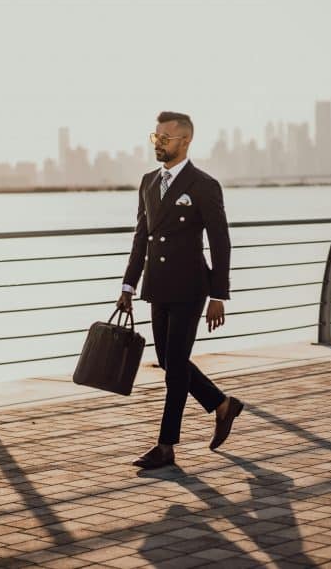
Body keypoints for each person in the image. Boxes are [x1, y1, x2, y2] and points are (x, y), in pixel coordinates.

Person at [117, 111, 243, 469]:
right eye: (155, 136)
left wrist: (219, 295)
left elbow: (221, 241)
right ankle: (222, 404)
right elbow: (141, 237)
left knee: (174, 369)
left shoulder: (203, 184)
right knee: (171, 361)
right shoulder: (147, 182)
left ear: (185, 141)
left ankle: (166, 446)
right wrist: (128, 285)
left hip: (191, 287)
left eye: (165, 138)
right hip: (157, 286)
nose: (158, 143)